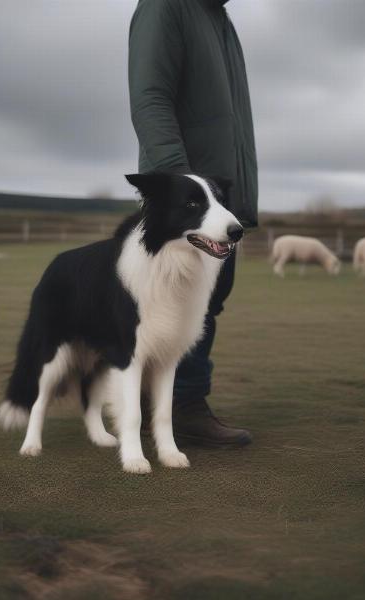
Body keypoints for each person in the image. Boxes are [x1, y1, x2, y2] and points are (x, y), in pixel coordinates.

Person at [128, 0, 258, 447]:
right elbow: (150, 96)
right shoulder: (167, 7)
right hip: (188, 203)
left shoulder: (220, 22)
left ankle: (179, 405)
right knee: (165, 305)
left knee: (209, 302)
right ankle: (165, 407)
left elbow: (229, 124)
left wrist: (234, 198)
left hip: (219, 199)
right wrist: (176, 190)